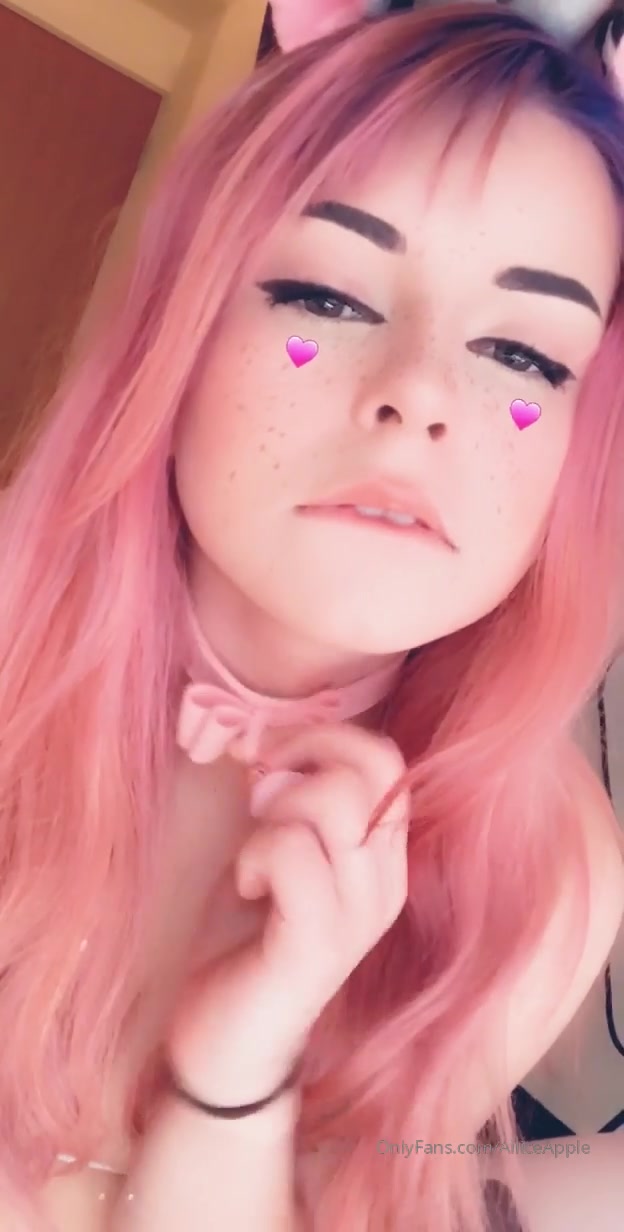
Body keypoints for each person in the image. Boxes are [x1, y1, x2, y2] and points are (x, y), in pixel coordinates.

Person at [1, 3, 624, 1230]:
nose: (419, 394)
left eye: (525, 356)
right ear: (180, 328)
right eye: (328, 298)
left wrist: (239, 1069)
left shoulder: (545, 873)